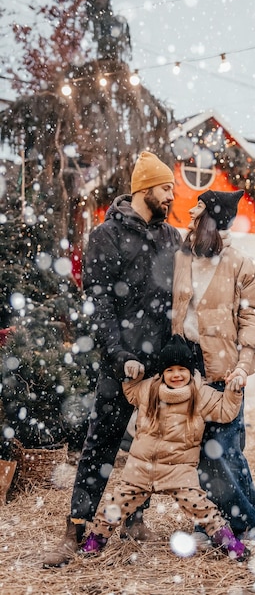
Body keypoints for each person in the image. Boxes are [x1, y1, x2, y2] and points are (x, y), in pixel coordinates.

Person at [43, 151, 182, 567]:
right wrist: (119, 354)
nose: (172, 196)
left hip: (161, 365)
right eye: (166, 188)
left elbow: (182, 297)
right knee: (100, 445)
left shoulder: (172, 238)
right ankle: (75, 529)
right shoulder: (106, 236)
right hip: (119, 363)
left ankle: (135, 519)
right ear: (145, 190)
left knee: (148, 446)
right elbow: (99, 302)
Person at [80, 334, 250, 563]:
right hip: (140, 469)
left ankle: (229, 543)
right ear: (162, 372)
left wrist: (233, 390)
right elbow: (131, 392)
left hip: (179, 471)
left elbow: (226, 410)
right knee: (113, 508)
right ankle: (95, 542)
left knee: (203, 509)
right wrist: (133, 376)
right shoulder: (149, 389)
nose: (176, 375)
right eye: (170, 370)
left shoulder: (201, 394)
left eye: (182, 369)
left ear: (190, 370)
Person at [171, 189, 255, 574]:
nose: (191, 219)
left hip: (226, 371)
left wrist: (244, 366)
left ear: (211, 221)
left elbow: (254, 318)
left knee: (224, 450)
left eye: (197, 215)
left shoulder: (242, 264)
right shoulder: (182, 259)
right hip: (188, 369)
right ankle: (209, 523)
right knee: (199, 452)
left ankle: (247, 525)